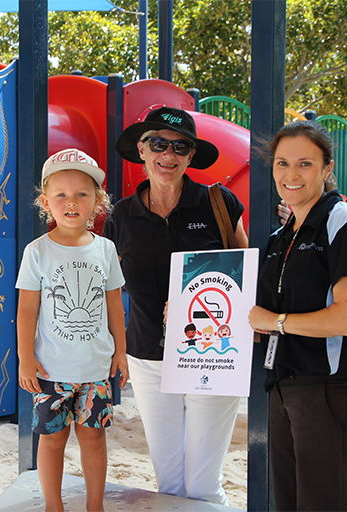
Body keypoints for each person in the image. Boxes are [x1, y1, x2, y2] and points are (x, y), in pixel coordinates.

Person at [102, 106, 248, 505]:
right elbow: (107, 290)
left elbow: (244, 275)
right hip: (148, 357)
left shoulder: (219, 203)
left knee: (202, 484)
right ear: (142, 149)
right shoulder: (121, 217)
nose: (169, 154)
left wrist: (192, 305)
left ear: (190, 155)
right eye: (159, 143)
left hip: (212, 355)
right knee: (168, 481)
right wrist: (115, 352)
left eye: (180, 146)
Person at [248, 121, 347, 511]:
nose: (292, 175)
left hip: (328, 388)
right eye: (282, 164)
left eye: (305, 164)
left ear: (327, 169)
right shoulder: (281, 236)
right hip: (282, 385)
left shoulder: (346, 224)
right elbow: (257, 319)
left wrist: (276, 322)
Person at [16, 148, 128, 512]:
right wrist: (24, 357)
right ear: (45, 202)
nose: (71, 202)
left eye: (82, 193)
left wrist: (121, 352)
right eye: (61, 195)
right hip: (50, 371)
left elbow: (114, 305)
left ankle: (95, 506)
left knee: (94, 440)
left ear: (98, 200)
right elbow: (27, 309)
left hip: (95, 370)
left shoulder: (106, 250)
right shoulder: (37, 252)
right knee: (51, 441)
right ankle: (54, 505)